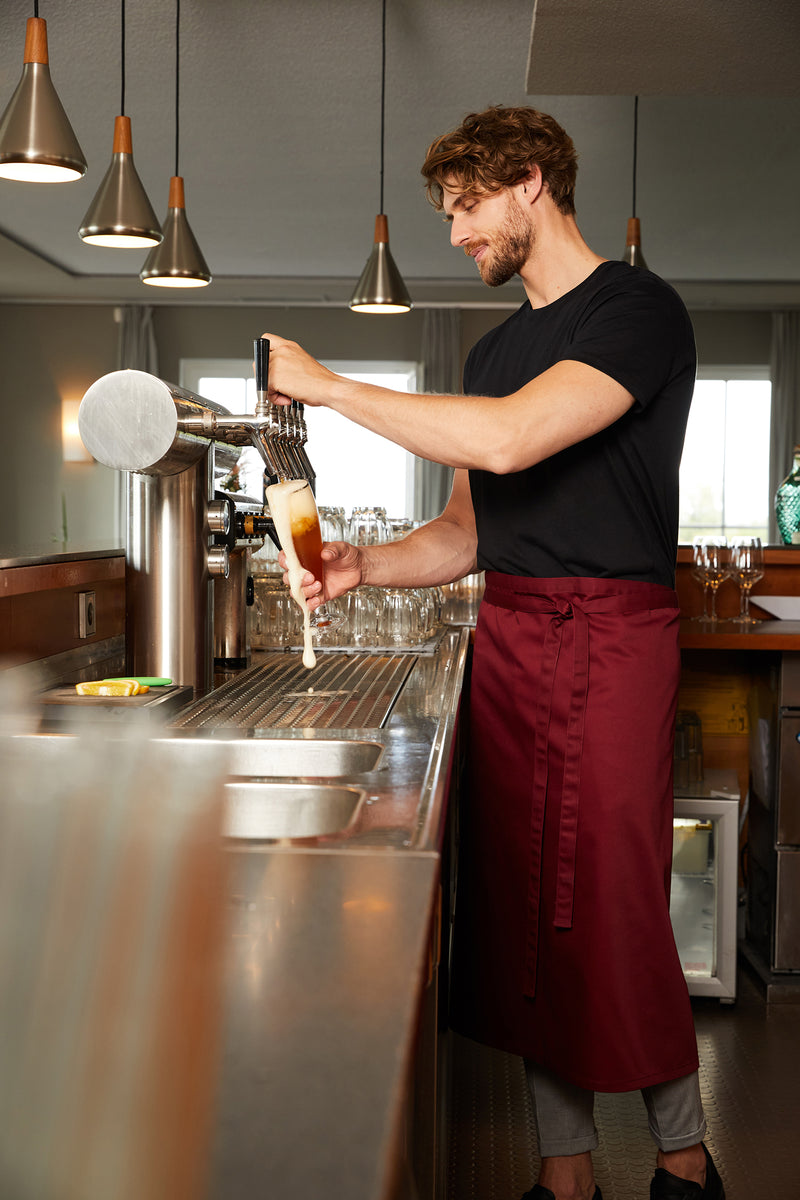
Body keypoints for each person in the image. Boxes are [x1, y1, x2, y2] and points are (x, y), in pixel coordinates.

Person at [262, 105, 724, 1200]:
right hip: (511, 637)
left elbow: (512, 439)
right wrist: (362, 567)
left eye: (467, 207)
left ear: (530, 183)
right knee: (520, 908)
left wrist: (328, 387)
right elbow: (467, 534)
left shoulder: (637, 311)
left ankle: (684, 1162)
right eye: (447, 215)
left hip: (612, 640)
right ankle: (565, 1179)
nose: (457, 233)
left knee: (609, 904)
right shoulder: (493, 350)